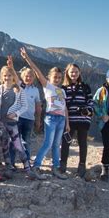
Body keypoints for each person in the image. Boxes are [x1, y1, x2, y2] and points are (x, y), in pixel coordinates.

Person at [20, 47, 69, 180]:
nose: (57, 79)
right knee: (48, 143)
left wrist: (67, 123)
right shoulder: (47, 86)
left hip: (61, 119)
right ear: (49, 77)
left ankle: (55, 168)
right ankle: (36, 166)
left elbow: (65, 107)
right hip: (51, 118)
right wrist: (26, 58)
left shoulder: (62, 91)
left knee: (56, 144)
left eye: (59, 77)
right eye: (55, 77)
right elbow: (36, 70)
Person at [0, 66, 34, 179]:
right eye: (5, 75)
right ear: (1, 77)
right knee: (5, 146)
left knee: (18, 145)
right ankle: (9, 168)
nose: (7, 78)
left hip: (12, 122)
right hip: (1, 122)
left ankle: (27, 168)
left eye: (9, 75)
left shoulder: (18, 90)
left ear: (13, 76)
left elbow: (24, 105)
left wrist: (16, 114)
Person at [6, 57, 42, 168]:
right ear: (22, 76)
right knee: (13, 141)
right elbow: (14, 76)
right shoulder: (19, 85)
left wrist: (38, 120)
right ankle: (11, 164)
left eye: (31, 76)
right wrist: (11, 66)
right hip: (17, 117)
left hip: (30, 119)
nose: (28, 78)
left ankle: (27, 164)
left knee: (26, 141)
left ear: (34, 78)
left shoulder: (36, 90)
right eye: (26, 75)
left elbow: (38, 106)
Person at [60, 63, 94, 177]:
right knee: (66, 142)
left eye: (76, 71)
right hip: (69, 120)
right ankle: (63, 164)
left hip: (83, 120)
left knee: (82, 143)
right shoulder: (63, 88)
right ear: (67, 74)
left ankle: (82, 166)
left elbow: (90, 101)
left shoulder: (86, 87)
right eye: (71, 72)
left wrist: (88, 110)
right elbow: (61, 104)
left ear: (79, 73)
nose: (74, 74)